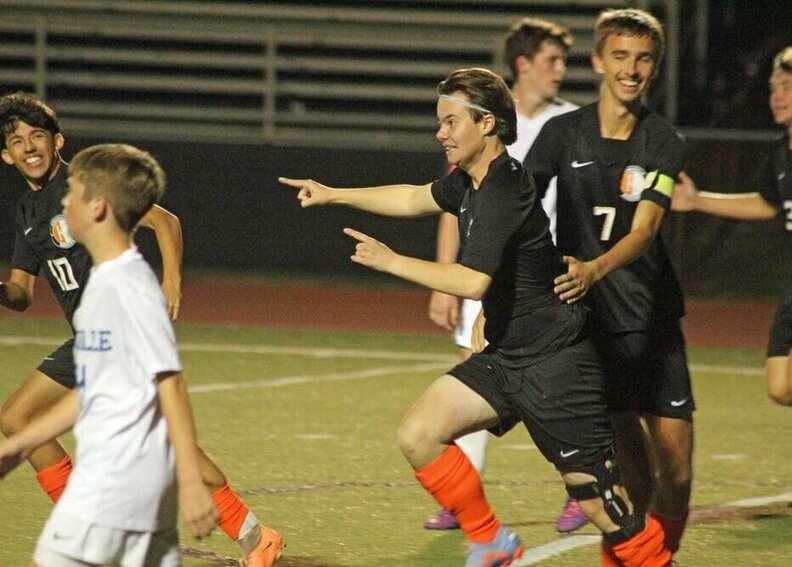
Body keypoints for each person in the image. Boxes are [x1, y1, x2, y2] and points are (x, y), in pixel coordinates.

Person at [282, 67, 670, 566]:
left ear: (487, 124)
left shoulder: (504, 188)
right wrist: (335, 194)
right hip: (506, 356)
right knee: (418, 434)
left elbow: (471, 282)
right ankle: (491, 542)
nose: (441, 133)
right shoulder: (470, 181)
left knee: (602, 507)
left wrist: (391, 261)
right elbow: (410, 197)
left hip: (556, 366)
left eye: (450, 122)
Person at [0, 93, 284, 566]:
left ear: (57, 142)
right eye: (17, 141)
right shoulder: (29, 211)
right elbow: (22, 295)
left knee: (167, 450)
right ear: (6, 155)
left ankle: (253, 536)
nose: (29, 147)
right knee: (18, 420)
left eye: (37, 137)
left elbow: (165, 221)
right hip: (89, 340)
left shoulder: (84, 184)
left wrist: (171, 279)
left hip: (120, 336)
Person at [524, 8, 693, 560]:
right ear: (598, 61)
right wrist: (503, 289)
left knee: (678, 470)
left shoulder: (663, 142)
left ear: (654, 67)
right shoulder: (560, 133)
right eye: (620, 55)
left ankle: (654, 552)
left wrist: (595, 267)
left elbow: (644, 230)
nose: (631, 68)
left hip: (654, 322)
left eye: (643, 58)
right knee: (628, 475)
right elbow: (520, 208)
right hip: (595, 328)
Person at [0, 143, 219, 566]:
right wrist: (19, 446)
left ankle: (247, 530)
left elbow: (169, 386)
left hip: (120, 490)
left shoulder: (128, 289)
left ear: (98, 208)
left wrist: (191, 482)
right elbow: (91, 393)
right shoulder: (103, 287)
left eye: (72, 195)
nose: (63, 202)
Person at [424, 17, 587, 534]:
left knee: (545, 386)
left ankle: (583, 487)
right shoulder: (473, 119)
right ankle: (462, 495)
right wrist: (440, 278)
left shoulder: (571, 123)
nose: (560, 70)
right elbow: (454, 199)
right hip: (485, 268)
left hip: (538, 280)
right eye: (551, 60)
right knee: (471, 369)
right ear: (522, 64)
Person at [673, 45, 792, 509]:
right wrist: (697, 201)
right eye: (773, 87)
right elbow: (766, 204)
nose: (776, 95)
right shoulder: (778, 155)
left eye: (787, 86)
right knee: (781, 388)